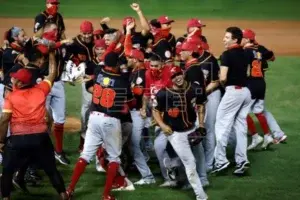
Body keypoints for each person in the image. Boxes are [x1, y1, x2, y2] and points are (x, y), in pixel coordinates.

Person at [0, 50, 68, 200]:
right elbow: (51, 73)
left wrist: (1, 140)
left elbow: (5, 120)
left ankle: (5, 198)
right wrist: (51, 55)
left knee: (7, 171)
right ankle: (64, 195)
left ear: (20, 83)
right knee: (52, 171)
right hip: (40, 138)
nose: (13, 80)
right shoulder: (41, 90)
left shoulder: (11, 97)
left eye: (15, 79)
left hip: (18, 140)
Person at [66, 52, 135, 200]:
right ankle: (106, 195)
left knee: (85, 155)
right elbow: (130, 101)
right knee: (114, 158)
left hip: (94, 118)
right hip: (111, 120)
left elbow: (89, 84)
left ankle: (69, 190)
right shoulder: (122, 80)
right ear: (116, 64)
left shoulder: (98, 72)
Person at [153, 66, 208, 200]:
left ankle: (173, 165)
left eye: (178, 74)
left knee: (198, 157)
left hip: (192, 130)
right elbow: (155, 110)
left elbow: (201, 105)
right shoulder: (163, 94)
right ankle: (201, 196)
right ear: (170, 79)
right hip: (176, 134)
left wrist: (201, 124)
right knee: (190, 162)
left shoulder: (194, 88)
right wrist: (162, 125)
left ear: (182, 73)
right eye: (173, 76)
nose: (177, 78)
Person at [212, 27, 251, 176]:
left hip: (233, 93)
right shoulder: (246, 53)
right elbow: (247, 72)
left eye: (227, 37)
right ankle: (242, 160)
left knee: (222, 125)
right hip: (246, 92)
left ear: (235, 39)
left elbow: (222, 78)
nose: (224, 39)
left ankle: (221, 161)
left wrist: (224, 86)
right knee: (241, 128)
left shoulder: (226, 55)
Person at [124, 24, 156, 185]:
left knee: (134, 145)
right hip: (136, 112)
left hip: (138, 113)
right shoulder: (136, 71)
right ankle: (146, 165)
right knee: (138, 144)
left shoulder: (140, 74)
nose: (127, 59)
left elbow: (143, 93)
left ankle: (148, 177)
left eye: (130, 58)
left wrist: (144, 108)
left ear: (136, 60)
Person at [241, 29, 275, 150]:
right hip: (261, 83)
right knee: (258, 112)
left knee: (242, 112)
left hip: (251, 84)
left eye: (242, 38)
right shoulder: (258, 52)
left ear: (246, 39)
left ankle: (255, 136)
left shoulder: (245, 51)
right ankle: (267, 135)